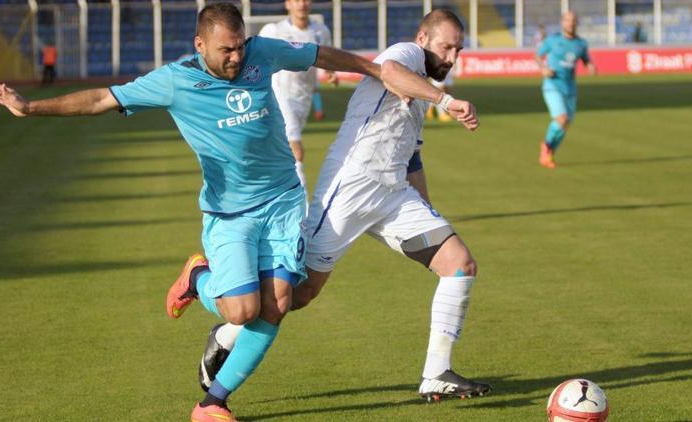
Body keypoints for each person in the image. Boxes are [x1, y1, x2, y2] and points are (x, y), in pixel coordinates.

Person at [0, 3, 425, 421]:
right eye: (225, 49)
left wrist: (375, 70)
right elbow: (102, 99)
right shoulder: (174, 81)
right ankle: (197, 276)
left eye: (240, 45)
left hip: (282, 200)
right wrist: (30, 108)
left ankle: (212, 404)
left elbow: (317, 54)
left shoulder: (261, 52)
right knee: (239, 312)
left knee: (278, 304)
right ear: (200, 46)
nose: (236, 56)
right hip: (230, 213)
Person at [198, 9, 492, 403]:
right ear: (423, 38)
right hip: (350, 188)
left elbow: (412, 158)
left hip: (393, 195)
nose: (452, 56)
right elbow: (387, 70)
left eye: (458, 48)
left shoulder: (423, 86)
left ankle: (436, 373)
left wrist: (426, 210)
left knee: (460, 265)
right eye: (446, 46)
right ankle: (226, 332)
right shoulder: (406, 55)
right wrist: (446, 100)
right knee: (295, 296)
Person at [259, 0, 339, 202]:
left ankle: (274, 192)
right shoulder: (274, 30)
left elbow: (326, 57)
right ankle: (301, 206)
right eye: (296, 0)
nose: (301, 4)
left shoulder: (321, 31)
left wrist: (330, 73)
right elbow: (256, 56)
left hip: (303, 96)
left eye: (305, 0)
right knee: (297, 149)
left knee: (283, 150)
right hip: (279, 94)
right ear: (287, 4)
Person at [535, 11, 596, 169]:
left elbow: (586, 60)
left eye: (573, 20)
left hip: (570, 88)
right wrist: (544, 68)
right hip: (552, 85)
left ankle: (548, 154)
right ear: (562, 22)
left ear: (577, 23)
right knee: (562, 119)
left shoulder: (581, 44)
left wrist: (590, 66)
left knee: (565, 124)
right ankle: (546, 146)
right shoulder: (553, 40)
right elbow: (537, 56)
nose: (571, 23)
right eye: (568, 20)